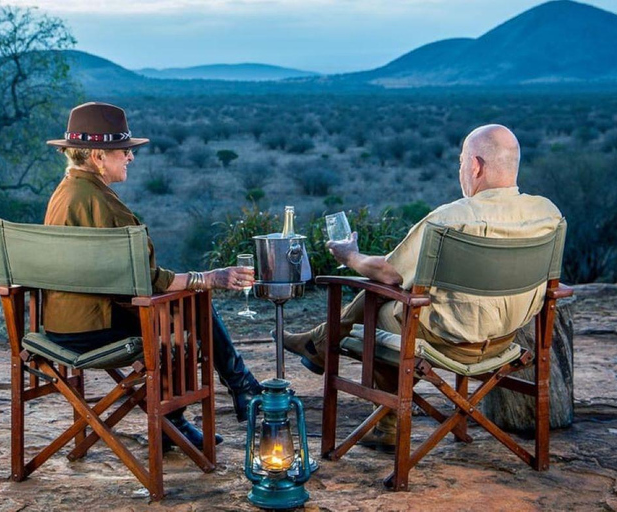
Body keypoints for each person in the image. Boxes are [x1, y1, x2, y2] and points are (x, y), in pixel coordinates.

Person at [282, 124, 562, 451]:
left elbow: (389, 273)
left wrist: (351, 256)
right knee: (392, 302)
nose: (461, 169)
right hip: (505, 340)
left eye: (461, 162)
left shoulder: (451, 219)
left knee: (382, 305)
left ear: (476, 166)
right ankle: (318, 345)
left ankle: (374, 407)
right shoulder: (547, 213)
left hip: (447, 342)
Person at [43, 102, 262, 451]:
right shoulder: (102, 204)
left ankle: (192, 414)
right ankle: (222, 398)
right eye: (125, 151)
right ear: (99, 156)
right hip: (90, 329)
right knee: (188, 308)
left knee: (179, 309)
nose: (130, 158)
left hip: (58, 325)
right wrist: (211, 278)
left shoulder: (66, 193)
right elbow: (146, 281)